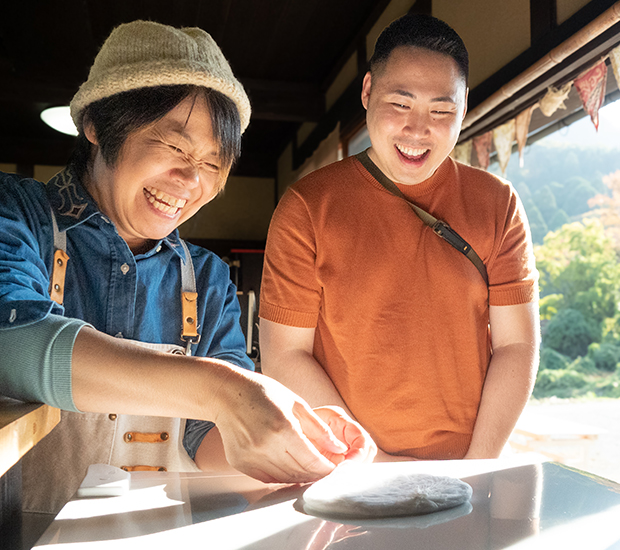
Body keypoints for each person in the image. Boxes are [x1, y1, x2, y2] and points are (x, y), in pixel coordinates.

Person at [0, 21, 374, 517]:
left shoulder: (208, 280)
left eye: (213, 163)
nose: (192, 180)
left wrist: (285, 437)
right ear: (97, 126)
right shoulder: (16, 212)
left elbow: (207, 437)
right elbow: (13, 339)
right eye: (175, 147)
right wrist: (223, 389)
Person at [260, 14, 539, 461]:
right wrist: (372, 464)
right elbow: (285, 356)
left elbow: (516, 345)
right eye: (401, 103)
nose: (417, 130)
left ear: (463, 107)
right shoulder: (307, 206)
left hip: (467, 469)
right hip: (346, 469)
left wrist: (477, 464)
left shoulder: (496, 203)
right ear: (368, 91)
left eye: (441, 110)